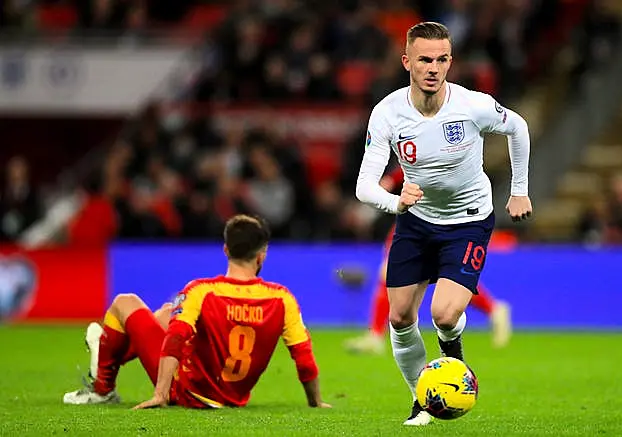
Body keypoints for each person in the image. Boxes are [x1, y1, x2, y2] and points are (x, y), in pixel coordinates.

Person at [355, 22, 532, 426]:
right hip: (416, 221)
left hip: (468, 221)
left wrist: (518, 190)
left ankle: (453, 365)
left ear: (450, 61)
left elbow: (517, 127)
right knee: (399, 317)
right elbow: (365, 186)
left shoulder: (471, 106)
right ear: (407, 62)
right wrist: (394, 202)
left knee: (445, 315)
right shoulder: (387, 112)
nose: (433, 68)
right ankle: (422, 401)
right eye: (424, 60)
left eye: (441, 59)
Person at [63, 214, 331, 409]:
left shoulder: (202, 290)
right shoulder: (282, 298)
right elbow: (304, 356)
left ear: (226, 250)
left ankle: (103, 387)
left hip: (188, 392)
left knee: (125, 302)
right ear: (262, 255)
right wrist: (315, 402)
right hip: (232, 396)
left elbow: (176, 338)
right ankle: (106, 354)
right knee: (167, 313)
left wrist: (161, 393)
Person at [345, 167, 512, 355]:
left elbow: (421, 162)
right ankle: (375, 335)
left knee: (445, 276)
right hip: (415, 215)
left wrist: (391, 181)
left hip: (437, 217)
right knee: (391, 270)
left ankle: (493, 309)